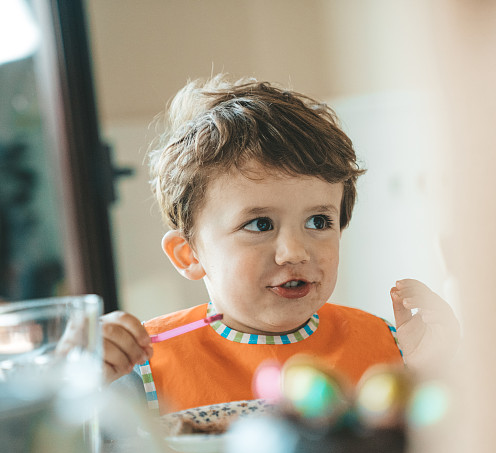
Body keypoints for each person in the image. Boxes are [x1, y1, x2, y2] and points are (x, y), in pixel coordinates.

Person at [101, 75, 459, 415]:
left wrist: (436, 371)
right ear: (189, 254)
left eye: (318, 222)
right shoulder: (141, 364)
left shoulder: (394, 345)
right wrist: (83, 383)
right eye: (260, 225)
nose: (295, 252)